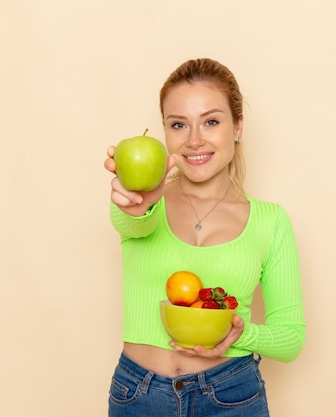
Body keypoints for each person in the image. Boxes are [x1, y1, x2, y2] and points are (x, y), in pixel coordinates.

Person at [104, 58, 305, 417]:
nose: (194, 140)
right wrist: (137, 203)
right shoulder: (143, 203)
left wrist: (236, 336)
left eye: (211, 121)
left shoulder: (270, 221)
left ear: (238, 126)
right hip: (139, 396)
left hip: (232, 395)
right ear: (165, 132)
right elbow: (133, 222)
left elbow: (291, 337)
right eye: (179, 124)